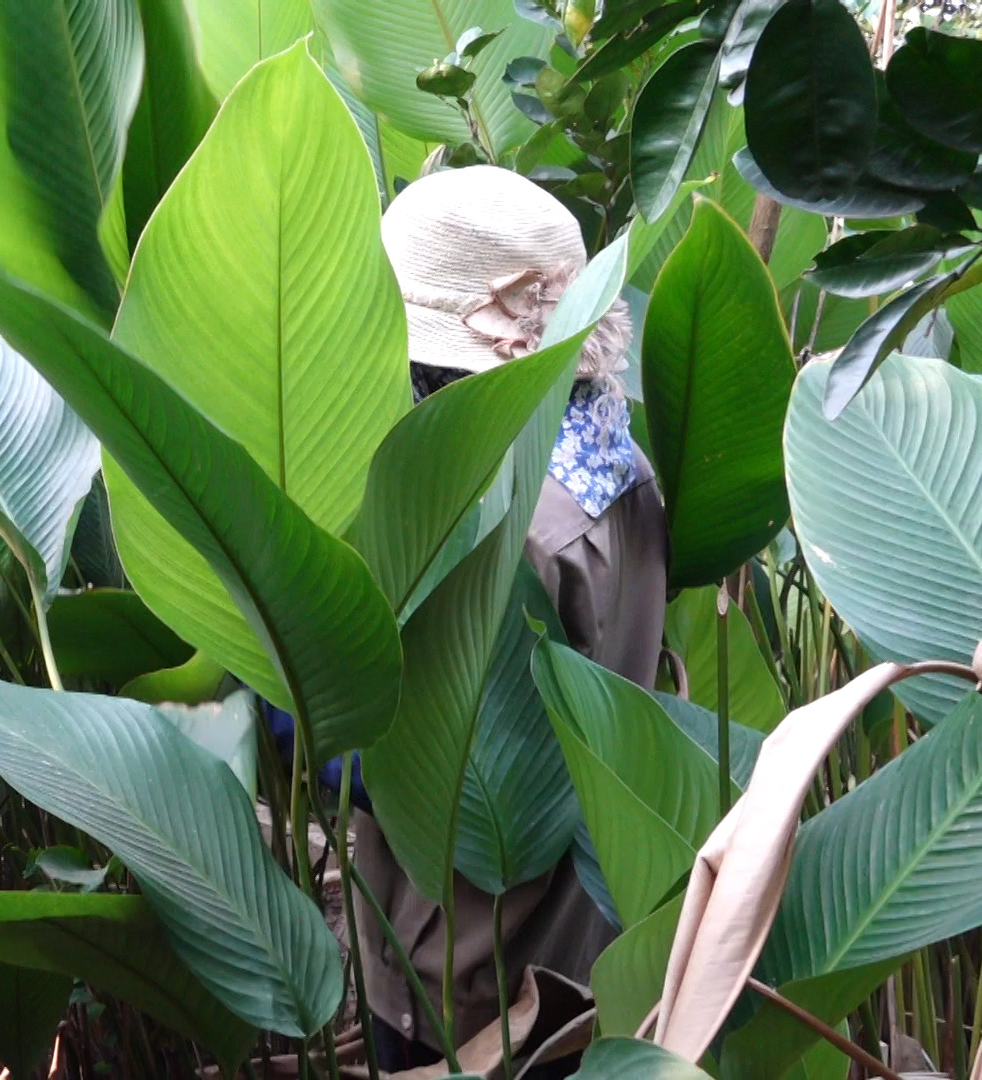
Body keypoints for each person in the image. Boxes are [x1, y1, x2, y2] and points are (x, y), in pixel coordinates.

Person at [351, 165, 669, 1073]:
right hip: (585, 952)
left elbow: (405, 764)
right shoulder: (624, 465)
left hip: (458, 978)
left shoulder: (491, 530)